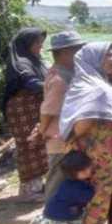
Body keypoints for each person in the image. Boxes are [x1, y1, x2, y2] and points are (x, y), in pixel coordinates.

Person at [59, 42, 112, 224]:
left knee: (89, 205)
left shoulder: (84, 83)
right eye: (107, 55)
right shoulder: (98, 89)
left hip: (88, 157)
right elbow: (81, 124)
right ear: (92, 60)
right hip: (98, 160)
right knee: (97, 206)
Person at [38, 31, 87, 202]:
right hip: (59, 137)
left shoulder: (67, 72)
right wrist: (42, 131)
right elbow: (48, 110)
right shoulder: (59, 78)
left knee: (64, 178)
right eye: (77, 49)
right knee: (57, 179)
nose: (81, 53)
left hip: (65, 134)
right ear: (65, 52)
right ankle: (51, 217)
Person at [3, 27, 50, 200]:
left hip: (35, 108)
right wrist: (57, 87)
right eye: (37, 43)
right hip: (21, 110)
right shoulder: (22, 63)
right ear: (26, 44)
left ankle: (36, 186)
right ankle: (28, 191)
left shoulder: (36, 61)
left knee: (39, 144)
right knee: (28, 146)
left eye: (41, 43)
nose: (40, 46)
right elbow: (31, 83)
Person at [33, 149, 96, 224]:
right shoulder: (74, 188)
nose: (88, 171)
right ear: (73, 174)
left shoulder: (69, 182)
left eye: (87, 167)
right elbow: (87, 196)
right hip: (60, 218)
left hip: (57, 214)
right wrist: (94, 187)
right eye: (83, 171)